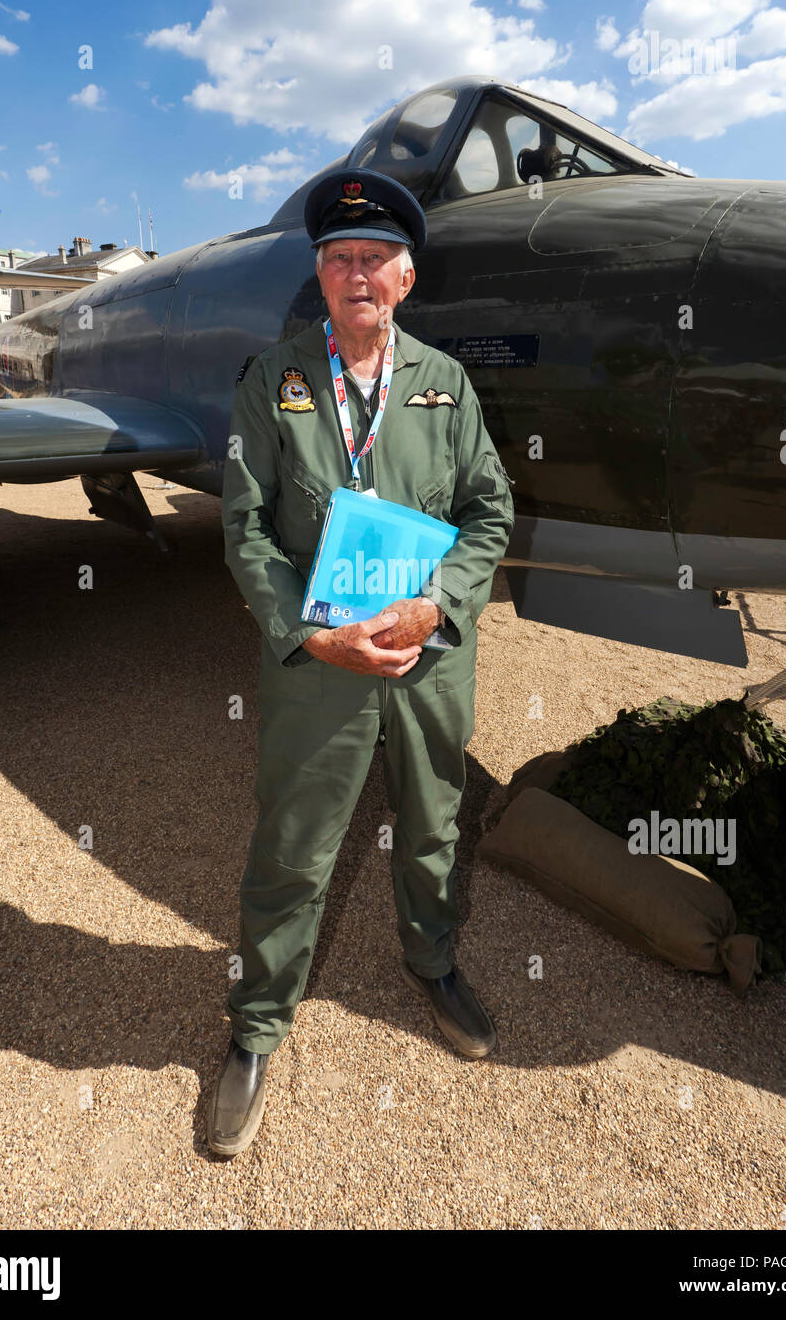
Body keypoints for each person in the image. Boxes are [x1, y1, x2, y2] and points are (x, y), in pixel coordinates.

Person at [209, 167, 514, 1157]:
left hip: (426, 661)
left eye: (375, 258)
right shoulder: (276, 382)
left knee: (432, 823)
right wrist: (307, 630)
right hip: (321, 662)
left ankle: (429, 962)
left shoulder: (444, 383)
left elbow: (488, 512)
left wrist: (443, 601)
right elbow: (246, 528)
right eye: (339, 258)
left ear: (405, 278)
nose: (357, 273)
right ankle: (257, 1024)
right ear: (319, 275)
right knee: (293, 847)